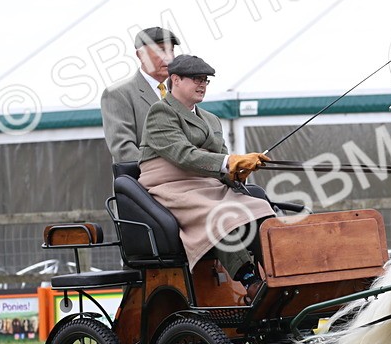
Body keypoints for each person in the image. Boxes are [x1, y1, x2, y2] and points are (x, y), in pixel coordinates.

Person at [139, 54, 272, 296]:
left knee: (261, 209)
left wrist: (238, 172)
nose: (202, 85)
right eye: (196, 79)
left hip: (208, 185)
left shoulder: (211, 119)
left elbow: (222, 167)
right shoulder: (161, 112)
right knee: (220, 214)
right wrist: (229, 161)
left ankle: (276, 274)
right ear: (175, 80)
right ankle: (250, 281)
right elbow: (184, 155)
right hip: (172, 189)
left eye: (206, 80)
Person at [101, 26, 180, 163]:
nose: (169, 57)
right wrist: (163, 172)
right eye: (161, 50)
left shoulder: (179, 92)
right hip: (144, 181)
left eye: (171, 50)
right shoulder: (118, 94)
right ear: (141, 55)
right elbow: (123, 149)